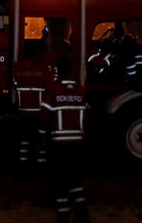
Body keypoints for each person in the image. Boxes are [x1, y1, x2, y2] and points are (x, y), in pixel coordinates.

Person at [39, 54, 90, 223]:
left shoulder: (53, 90)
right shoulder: (81, 90)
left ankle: (63, 215)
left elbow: (44, 117)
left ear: (57, 69)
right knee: (75, 179)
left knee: (60, 182)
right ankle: (82, 214)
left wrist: (41, 138)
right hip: (78, 145)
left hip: (59, 146)